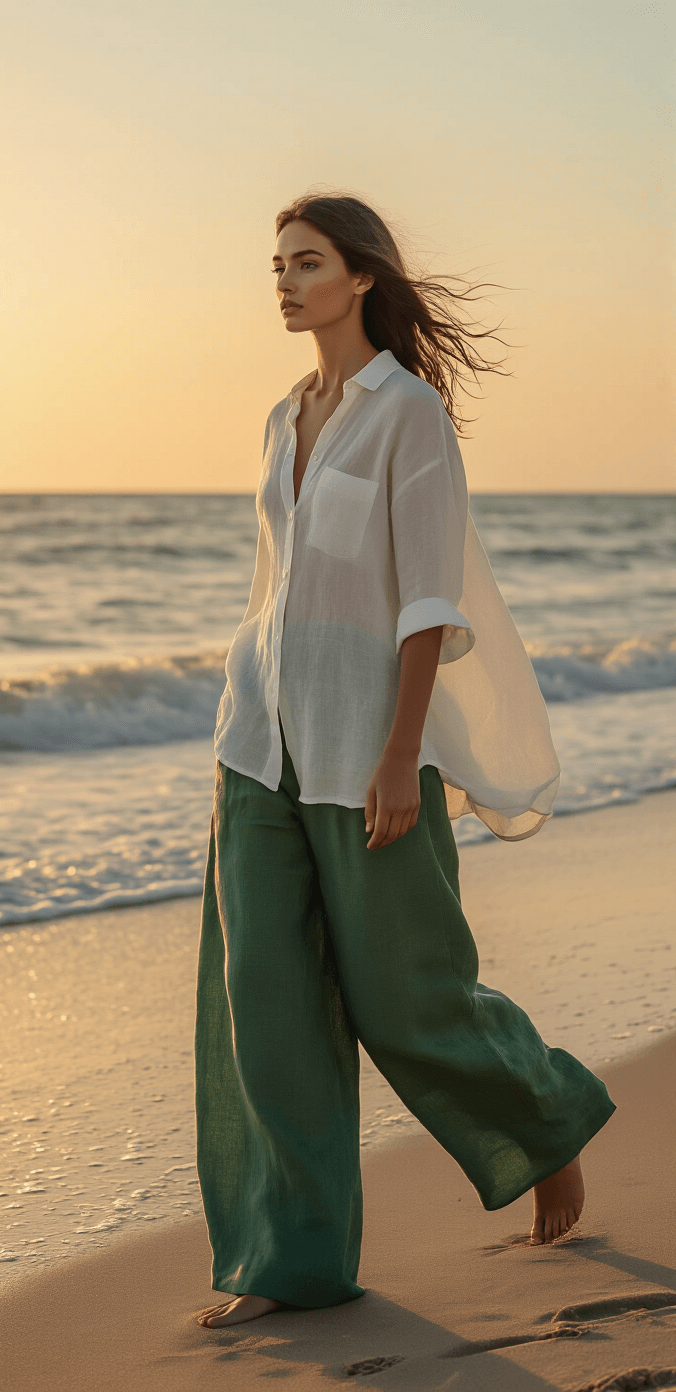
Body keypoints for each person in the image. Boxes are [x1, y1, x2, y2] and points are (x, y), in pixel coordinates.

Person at [193, 191, 615, 1329]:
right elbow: (275, 593)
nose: (283, 280)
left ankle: (542, 1125)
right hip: (260, 743)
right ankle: (291, 1264)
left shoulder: (408, 416)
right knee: (263, 1008)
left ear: (362, 277)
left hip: (366, 746)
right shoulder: (285, 414)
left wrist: (397, 757)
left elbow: (425, 601)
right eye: (275, 263)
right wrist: (239, 725)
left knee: (407, 997)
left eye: (307, 262)